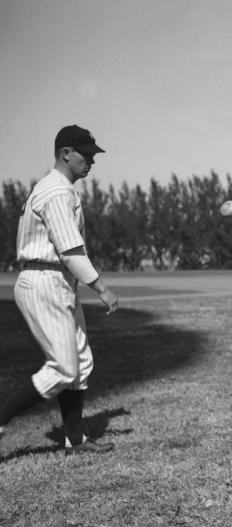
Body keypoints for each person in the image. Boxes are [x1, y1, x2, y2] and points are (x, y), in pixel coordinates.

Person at [0, 125, 119, 454]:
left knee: (79, 362)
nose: (92, 160)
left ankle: (75, 440)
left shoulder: (57, 188)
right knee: (64, 368)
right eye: (86, 153)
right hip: (45, 279)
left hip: (56, 280)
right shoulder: (56, 191)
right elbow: (70, 250)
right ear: (66, 153)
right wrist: (102, 289)